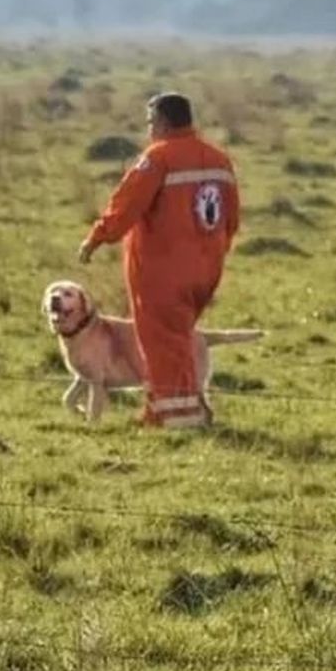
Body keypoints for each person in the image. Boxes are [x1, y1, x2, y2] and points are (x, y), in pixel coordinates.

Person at [78, 92, 241, 428]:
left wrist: (97, 237)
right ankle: (176, 409)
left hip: (163, 272)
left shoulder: (158, 159)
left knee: (160, 341)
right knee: (178, 338)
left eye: (151, 122)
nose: (149, 130)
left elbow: (125, 206)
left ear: (164, 122)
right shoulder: (219, 159)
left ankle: (174, 417)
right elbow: (232, 218)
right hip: (205, 269)